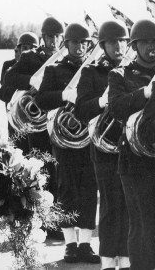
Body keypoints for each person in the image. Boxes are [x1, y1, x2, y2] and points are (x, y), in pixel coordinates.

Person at [35, 22, 100, 264]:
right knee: (66, 189)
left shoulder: (93, 70)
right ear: (67, 44)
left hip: (88, 139)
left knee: (89, 189)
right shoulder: (54, 70)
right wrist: (64, 95)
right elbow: (41, 99)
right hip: (64, 140)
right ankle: (70, 245)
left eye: (85, 43)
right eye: (75, 42)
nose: (81, 47)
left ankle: (85, 244)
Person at [2, 17, 65, 240]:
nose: (54, 41)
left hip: (60, 125)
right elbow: (10, 77)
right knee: (44, 172)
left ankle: (56, 222)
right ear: (43, 37)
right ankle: (43, 223)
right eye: (50, 37)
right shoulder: (31, 57)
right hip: (37, 126)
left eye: (59, 37)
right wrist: (33, 79)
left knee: (60, 175)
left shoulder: (68, 58)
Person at [75, 20, 130, 270]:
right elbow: (81, 109)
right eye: (114, 42)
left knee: (131, 206)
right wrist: (102, 100)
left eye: (123, 41)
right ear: (103, 45)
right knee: (110, 206)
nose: (119, 46)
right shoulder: (91, 72)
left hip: (131, 148)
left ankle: (127, 260)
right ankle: (108, 262)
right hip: (104, 150)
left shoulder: (133, 70)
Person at [108, 18, 155, 270]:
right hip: (135, 163)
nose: (152, 46)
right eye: (146, 42)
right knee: (144, 226)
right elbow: (116, 108)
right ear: (135, 46)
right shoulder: (119, 74)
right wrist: (146, 92)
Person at [0, 31, 39, 154]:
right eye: (25, 48)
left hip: (34, 120)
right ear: (18, 49)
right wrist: (26, 88)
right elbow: (3, 93)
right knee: (16, 153)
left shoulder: (41, 67)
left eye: (32, 48)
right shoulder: (9, 65)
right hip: (15, 119)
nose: (28, 51)